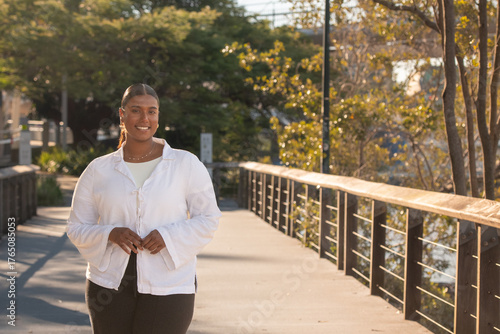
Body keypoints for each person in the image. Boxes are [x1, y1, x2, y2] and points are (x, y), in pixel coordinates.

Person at [66, 83, 221, 334]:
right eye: (136, 110)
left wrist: (168, 237)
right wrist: (110, 234)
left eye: (152, 111)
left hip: (170, 286)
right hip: (108, 286)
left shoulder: (185, 164)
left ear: (158, 116)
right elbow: (75, 227)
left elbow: (209, 218)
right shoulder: (98, 170)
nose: (144, 118)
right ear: (122, 115)